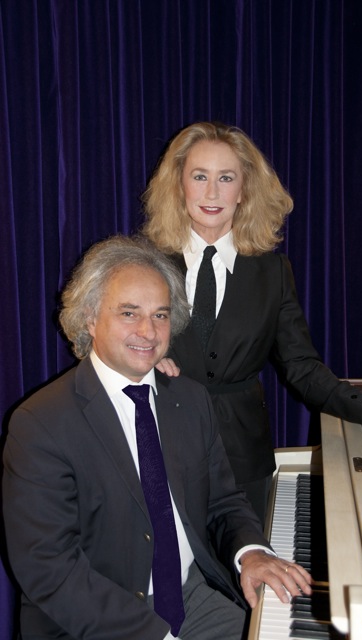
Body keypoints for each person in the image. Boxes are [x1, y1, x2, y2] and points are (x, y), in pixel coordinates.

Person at [2, 235, 312, 640]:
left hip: (191, 598)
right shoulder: (41, 423)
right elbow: (50, 570)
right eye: (129, 313)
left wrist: (251, 551)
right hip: (96, 620)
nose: (148, 331)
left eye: (160, 315)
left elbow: (223, 501)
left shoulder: (190, 399)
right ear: (90, 319)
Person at [141, 121, 362, 524]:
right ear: (178, 185)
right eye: (199, 176)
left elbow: (302, 368)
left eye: (226, 178)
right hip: (159, 449)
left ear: (244, 190)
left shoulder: (273, 273)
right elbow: (103, 343)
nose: (212, 192)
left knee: (245, 563)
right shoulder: (144, 263)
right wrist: (143, 359)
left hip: (243, 464)